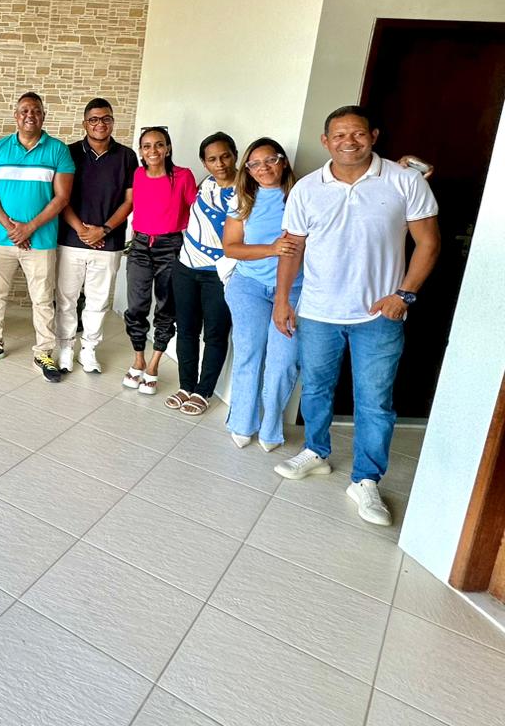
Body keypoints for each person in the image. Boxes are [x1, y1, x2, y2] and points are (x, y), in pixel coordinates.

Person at [273, 106, 439, 527]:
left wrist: (404, 294)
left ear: (374, 136)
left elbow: (428, 243)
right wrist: (282, 300)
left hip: (379, 315)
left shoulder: (405, 181)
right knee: (315, 389)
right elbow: (292, 248)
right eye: (339, 135)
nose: (349, 141)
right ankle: (316, 451)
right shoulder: (307, 189)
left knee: (375, 402)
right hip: (318, 310)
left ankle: (365, 479)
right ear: (325, 141)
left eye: (358, 133)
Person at [0, 92, 75, 382]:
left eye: (36, 111)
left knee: (42, 299)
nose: (30, 115)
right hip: (1, 240)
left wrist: (28, 228)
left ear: (43, 115)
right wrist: (10, 227)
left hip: (40, 241)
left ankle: (43, 353)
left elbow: (62, 197)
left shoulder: (58, 150)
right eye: (25, 110)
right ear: (16, 115)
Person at [220, 137, 301, 447]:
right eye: (254, 164)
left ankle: (271, 427)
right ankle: (242, 422)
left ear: (283, 161)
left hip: (293, 288)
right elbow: (231, 247)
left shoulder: (302, 196)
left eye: (270, 160)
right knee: (249, 353)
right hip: (249, 286)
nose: (263, 168)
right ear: (248, 170)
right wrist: (272, 249)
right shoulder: (243, 200)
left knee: (284, 361)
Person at [56, 98, 137, 374]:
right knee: (66, 299)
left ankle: (89, 350)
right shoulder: (68, 153)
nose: (100, 124)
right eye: (94, 119)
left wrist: (103, 230)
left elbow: (129, 201)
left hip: (109, 242)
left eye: (106, 119)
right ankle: (65, 347)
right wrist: (81, 230)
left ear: (112, 122)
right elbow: (60, 197)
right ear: (84, 124)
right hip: (70, 240)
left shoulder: (127, 156)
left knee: (98, 301)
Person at [164, 132, 238, 416]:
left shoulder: (247, 191)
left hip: (220, 273)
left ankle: (203, 391)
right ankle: (186, 386)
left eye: (225, 156)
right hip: (186, 268)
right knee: (186, 329)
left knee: (216, 334)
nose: (220, 164)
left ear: (234, 155)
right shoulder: (205, 184)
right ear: (204, 163)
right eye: (212, 159)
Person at [123, 126, 198, 396]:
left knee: (166, 307)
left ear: (168, 148)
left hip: (171, 246)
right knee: (136, 306)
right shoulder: (138, 174)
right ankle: (138, 359)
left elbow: (197, 211)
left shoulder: (183, 176)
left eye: (159, 144)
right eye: (147, 146)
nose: (153, 150)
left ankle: (154, 364)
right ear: (140, 151)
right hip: (141, 245)